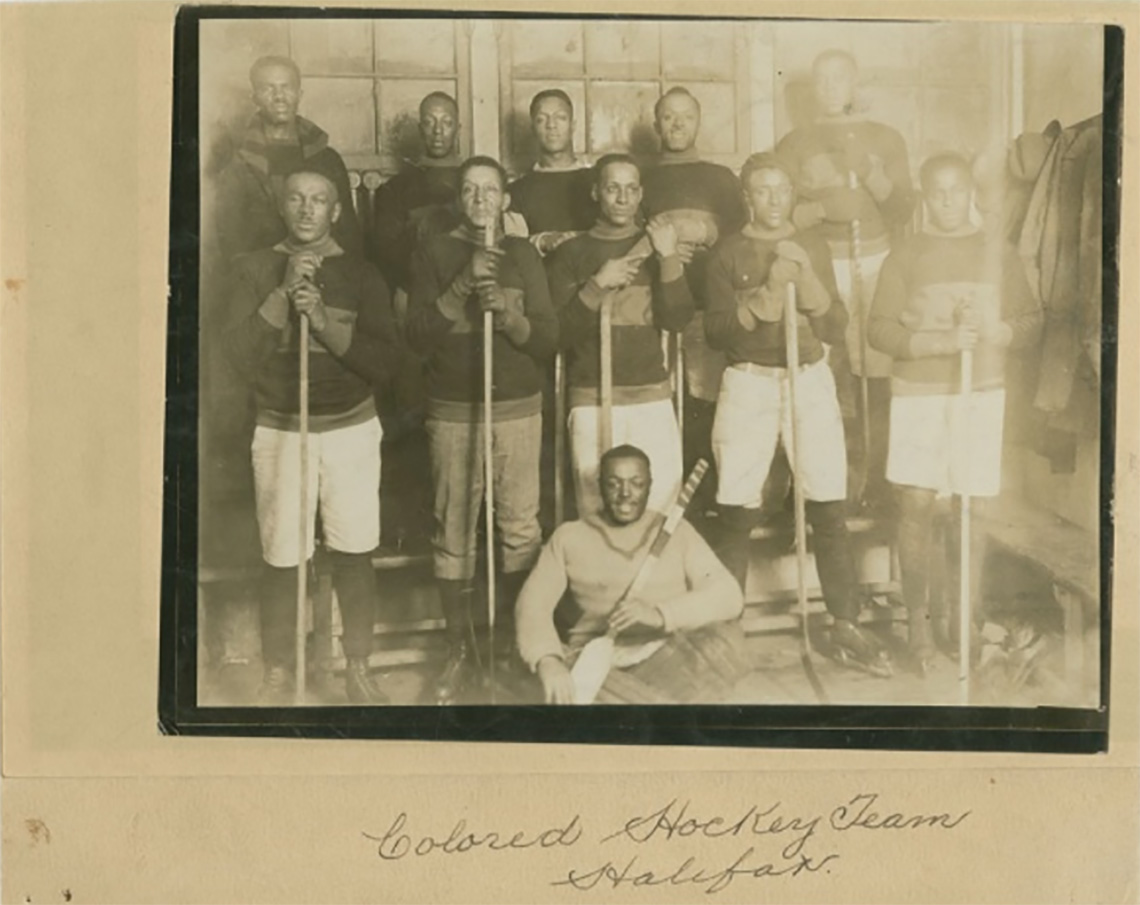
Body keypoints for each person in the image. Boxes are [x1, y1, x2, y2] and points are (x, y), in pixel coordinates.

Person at [705, 152, 891, 676]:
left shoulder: (811, 244)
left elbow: (834, 325)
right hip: (749, 384)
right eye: (762, 190)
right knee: (736, 510)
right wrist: (765, 295)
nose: (773, 199)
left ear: (792, 194)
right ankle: (724, 628)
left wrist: (806, 279)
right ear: (747, 196)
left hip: (807, 381)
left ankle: (844, 621)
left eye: (782, 189)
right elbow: (716, 333)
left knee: (829, 504)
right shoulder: (726, 253)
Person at [221, 166, 400, 704]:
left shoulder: (363, 274)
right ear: (282, 207)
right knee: (281, 554)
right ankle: (279, 667)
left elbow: (383, 364)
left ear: (336, 211)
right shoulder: (252, 268)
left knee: (353, 550)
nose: (306, 209)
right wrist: (281, 295)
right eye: (295, 198)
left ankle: (358, 668)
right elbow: (235, 355)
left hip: (349, 429)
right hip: (280, 429)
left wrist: (320, 318)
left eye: (318, 200)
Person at [868, 153, 1041, 675]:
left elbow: (1031, 321)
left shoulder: (998, 253)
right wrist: (941, 340)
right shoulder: (906, 253)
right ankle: (918, 629)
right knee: (917, 504)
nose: (947, 201)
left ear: (970, 192)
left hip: (980, 393)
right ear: (924, 196)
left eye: (956, 190)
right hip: (920, 393)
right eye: (936, 192)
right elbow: (879, 330)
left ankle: (961, 622)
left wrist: (995, 333)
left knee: (971, 509)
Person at [405, 155, 560, 704]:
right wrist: (462, 286)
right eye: (469, 190)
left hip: (517, 407)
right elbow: (417, 335)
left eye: (489, 190)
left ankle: (517, 644)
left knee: (520, 529)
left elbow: (547, 339)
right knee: (453, 531)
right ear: (458, 200)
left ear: (505, 200)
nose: (479, 200)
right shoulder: (432, 253)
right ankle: (459, 652)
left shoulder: (521, 255)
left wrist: (510, 316)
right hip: (454, 409)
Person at [776, 49, 916, 513]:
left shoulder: (885, 137)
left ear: (856, 83)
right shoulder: (794, 143)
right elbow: (777, 215)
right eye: (823, 79)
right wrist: (823, 209)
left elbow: (901, 209)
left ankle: (876, 482)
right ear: (813, 88)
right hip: (820, 267)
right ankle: (819, 485)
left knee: (873, 375)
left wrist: (871, 171)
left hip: (872, 263)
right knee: (819, 376)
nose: (832, 87)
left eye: (840, 78)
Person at [515, 445, 748, 705]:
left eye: (636, 483)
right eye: (614, 484)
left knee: (726, 641)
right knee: (553, 676)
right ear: (599, 485)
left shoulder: (677, 530)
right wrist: (548, 660)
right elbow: (532, 605)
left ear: (650, 485)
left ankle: (634, 704)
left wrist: (660, 614)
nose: (625, 494)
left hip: (667, 653)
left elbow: (729, 595)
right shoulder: (569, 536)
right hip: (601, 660)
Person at [546, 154, 694, 518]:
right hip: (591, 398)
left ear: (641, 194)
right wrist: (597, 285)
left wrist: (669, 257)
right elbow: (555, 335)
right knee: (597, 509)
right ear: (597, 192)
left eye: (631, 189)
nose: (623, 198)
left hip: (651, 395)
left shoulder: (657, 249)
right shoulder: (571, 253)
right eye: (613, 188)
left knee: (661, 505)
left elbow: (677, 320)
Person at [641, 87, 750, 511]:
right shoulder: (642, 178)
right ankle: (672, 497)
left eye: (686, 116)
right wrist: (660, 251)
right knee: (666, 401)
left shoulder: (721, 178)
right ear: (656, 125)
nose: (678, 124)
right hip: (658, 308)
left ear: (699, 122)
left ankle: (708, 496)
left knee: (708, 399)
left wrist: (708, 234)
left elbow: (743, 234)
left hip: (709, 308)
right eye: (668, 117)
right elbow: (628, 237)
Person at [214, 56, 361, 260]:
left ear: (299, 94)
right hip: (260, 270)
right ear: (254, 97)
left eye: (287, 87)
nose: (279, 97)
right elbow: (231, 240)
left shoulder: (327, 158)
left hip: (321, 266)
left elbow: (348, 231)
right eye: (268, 88)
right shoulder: (239, 162)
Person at [372, 91, 463, 299]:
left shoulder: (474, 182)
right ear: (421, 130)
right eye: (430, 123)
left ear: (458, 129)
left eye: (446, 123)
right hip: (414, 288)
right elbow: (385, 252)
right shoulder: (395, 189)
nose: (438, 131)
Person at [507, 89, 597, 255]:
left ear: (573, 125)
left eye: (560, 117)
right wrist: (543, 241)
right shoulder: (516, 191)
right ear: (533, 128)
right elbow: (512, 246)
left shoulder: (598, 181)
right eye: (542, 119)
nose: (551, 125)